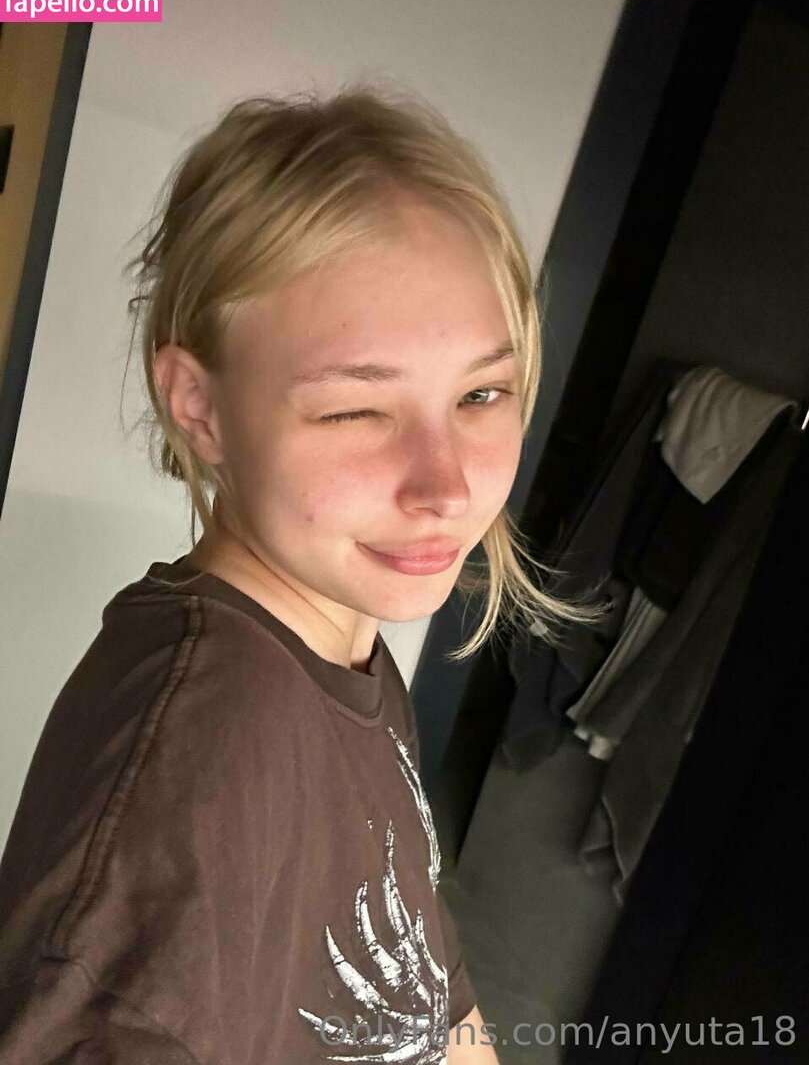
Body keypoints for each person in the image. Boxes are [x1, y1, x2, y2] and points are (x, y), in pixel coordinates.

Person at [0, 82, 598, 1063]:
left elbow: (425, 978)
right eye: (356, 410)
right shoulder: (209, 751)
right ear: (199, 405)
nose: (446, 487)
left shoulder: (344, 654)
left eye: (481, 394)